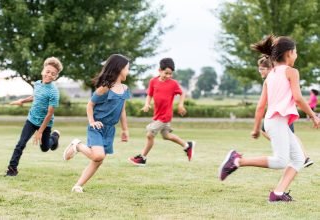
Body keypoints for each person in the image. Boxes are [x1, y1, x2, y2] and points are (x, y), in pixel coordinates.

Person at [219, 35, 320, 202]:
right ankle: (238, 160)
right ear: (288, 53)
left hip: (273, 122)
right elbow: (299, 98)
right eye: (295, 52)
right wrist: (313, 116)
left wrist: (256, 128)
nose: (296, 56)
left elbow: (260, 106)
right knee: (281, 161)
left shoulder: (270, 75)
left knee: (298, 159)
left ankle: (278, 193)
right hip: (277, 121)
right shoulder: (291, 72)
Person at [63, 54, 130, 193]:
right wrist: (92, 121)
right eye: (127, 68)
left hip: (110, 129)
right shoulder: (105, 88)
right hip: (97, 127)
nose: (128, 72)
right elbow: (90, 105)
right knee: (98, 156)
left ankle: (78, 185)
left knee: (98, 161)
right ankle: (78, 145)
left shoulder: (125, 89)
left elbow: (122, 111)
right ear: (119, 69)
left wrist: (125, 130)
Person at [128, 58, 195, 166]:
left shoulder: (173, 83)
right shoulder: (153, 81)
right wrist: (147, 104)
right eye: (166, 73)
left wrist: (180, 104)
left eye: (170, 74)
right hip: (158, 114)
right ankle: (187, 145)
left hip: (165, 115)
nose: (168, 76)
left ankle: (142, 158)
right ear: (159, 70)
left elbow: (182, 93)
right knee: (166, 136)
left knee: (150, 133)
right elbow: (149, 94)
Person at [5, 57, 63, 176]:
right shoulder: (37, 84)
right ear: (43, 71)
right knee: (21, 143)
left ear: (55, 77)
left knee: (45, 148)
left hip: (45, 123)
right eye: (47, 71)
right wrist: (22, 100)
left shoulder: (54, 92)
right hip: (31, 120)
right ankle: (12, 169)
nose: (49, 75)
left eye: (53, 74)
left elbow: (49, 114)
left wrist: (40, 131)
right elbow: (35, 96)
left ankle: (55, 138)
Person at [258, 56, 313, 168]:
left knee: (286, 142)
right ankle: (297, 154)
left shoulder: (277, 76)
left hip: (281, 114)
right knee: (277, 134)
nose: (260, 71)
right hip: (277, 115)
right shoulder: (271, 79)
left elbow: (297, 97)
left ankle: (304, 157)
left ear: (269, 68)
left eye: (262, 69)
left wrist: (312, 115)